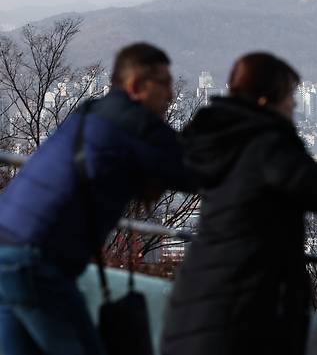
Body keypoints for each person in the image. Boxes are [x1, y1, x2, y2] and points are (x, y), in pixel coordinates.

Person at [0, 43, 193, 355]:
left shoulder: (89, 112)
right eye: (164, 84)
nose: (170, 95)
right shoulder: (137, 124)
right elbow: (192, 174)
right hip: (36, 260)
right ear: (136, 85)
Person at [162, 53, 317, 355]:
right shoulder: (267, 143)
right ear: (264, 101)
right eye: (288, 96)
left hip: (195, 297)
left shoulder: (218, 139)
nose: (294, 105)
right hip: (245, 307)